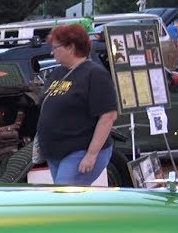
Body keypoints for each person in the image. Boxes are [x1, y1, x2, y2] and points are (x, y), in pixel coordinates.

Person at [36, 24, 119, 185]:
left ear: (71, 47)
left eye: (56, 47)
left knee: (64, 203)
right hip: (55, 151)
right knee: (66, 201)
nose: (52, 52)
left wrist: (91, 155)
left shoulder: (94, 74)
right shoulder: (58, 72)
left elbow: (108, 116)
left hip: (79, 151)